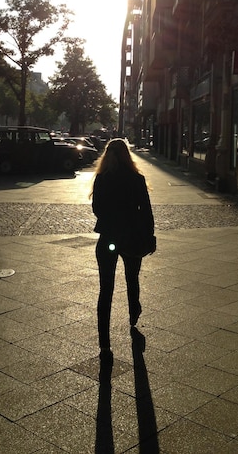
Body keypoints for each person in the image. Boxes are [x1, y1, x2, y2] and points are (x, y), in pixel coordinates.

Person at [91, 138, 155, 361]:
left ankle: (104, 343)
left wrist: (111, 219)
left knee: (105, 290)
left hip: (109, 237)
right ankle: (133, 313)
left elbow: (97, 209)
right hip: (131, 237)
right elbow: (146, 212)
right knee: (132, 278)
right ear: (128, 155)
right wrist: (149, 236)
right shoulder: (137, 179)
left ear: (107, 156)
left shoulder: (102, 179)